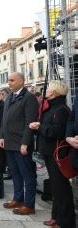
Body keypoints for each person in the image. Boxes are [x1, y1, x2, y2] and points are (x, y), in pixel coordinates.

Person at [31, 80, 75, 228]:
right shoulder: (52, 107)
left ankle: (66, 221)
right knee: (56, 188)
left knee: (61, 188)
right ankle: (56, 217)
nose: (46, 90)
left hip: (57, 153)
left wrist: (40, 126)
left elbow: (56, 131)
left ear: (54, 92)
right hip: (49, 153)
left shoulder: (61, 109)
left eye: (48, 88)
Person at [0, 72, 38, 215]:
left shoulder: (29, 98)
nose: (9, 83)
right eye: (8, 80)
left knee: (27, 175)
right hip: (9, 142)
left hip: (21, 143)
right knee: (15, 173)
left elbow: (30, 122)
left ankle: (29, 204)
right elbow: (4, 119)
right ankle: (18, 198)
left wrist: (25, 143)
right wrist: (2, 136)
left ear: (21, 81)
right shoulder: (10, 97)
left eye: (12, 80)